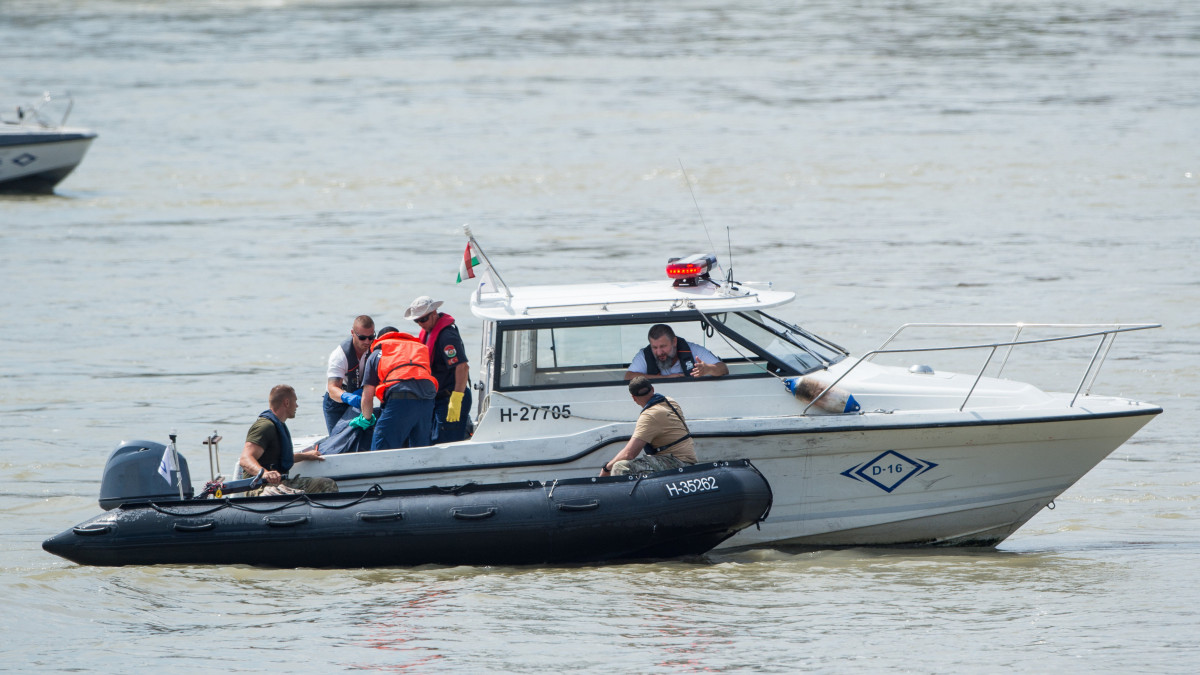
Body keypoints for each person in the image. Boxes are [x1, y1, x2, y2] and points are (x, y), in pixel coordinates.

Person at [239, 384, 338, 495]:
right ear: (286, 403)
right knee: (279, 494)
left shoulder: (279, 426)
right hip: (259, 486)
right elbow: (245, 459)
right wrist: (265, 474)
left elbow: (281, 458)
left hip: (280, 483)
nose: (297, 406)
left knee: (326, 484)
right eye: (295, 401)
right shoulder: (265, 426)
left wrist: (306, 456)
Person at [405, 295, 472, 443]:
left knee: (446, 443)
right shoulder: (428, 332)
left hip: (451, 398)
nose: (420, 324)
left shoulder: (447, 336)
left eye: (423, 319)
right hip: (436, 399)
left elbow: (462, 367)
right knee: (433, 440)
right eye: (417, 320)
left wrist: (456, 399)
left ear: (434, 313)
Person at [359, 326, 439, 451]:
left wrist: (366, 419)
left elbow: (367, 395)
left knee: (381, 444)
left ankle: (380, 469)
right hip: (428, 399)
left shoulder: (377, 353)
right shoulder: (417, 348)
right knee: (421, 449)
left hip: (401, 399)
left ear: (380, 339)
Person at [600, 376, 698, 477]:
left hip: (677, 463)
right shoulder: (669, 401)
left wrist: (606, 468)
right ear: (652, 389)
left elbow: (629, 454)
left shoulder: (649, 416)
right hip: (688, 459)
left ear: (633, 398)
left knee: (620, 466)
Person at [323, 315, 375, 434]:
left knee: (363, 435)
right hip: (337, 402)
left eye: (371, 337)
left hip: (362, 397)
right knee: (337, 440)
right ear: (352, 333)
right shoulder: (339, 355)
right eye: (362, 337)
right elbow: (332, 389)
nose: (367, 341)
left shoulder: (374, 349)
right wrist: (348, 397)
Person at [624, 323, 728, 380]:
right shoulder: (645, 355)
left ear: (674, 342)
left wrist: (708, 369)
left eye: (663, 346)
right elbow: (628, 377)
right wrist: (666, 378)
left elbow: (723, 369)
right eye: (654, 348)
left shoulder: (693, 350)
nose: (659, 352)